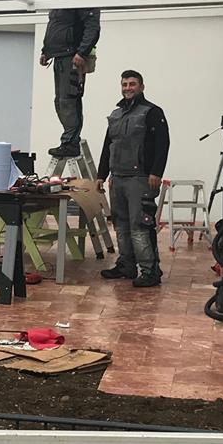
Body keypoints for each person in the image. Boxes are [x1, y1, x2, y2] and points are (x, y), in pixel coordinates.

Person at [95, 70, 170, 287]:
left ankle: (150, 271)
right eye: (125, 84)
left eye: (132, 84)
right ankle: (126, 266)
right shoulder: (116, 114)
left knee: (140, 226)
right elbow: (108, 146)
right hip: (117, 178)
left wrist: (156, 172)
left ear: (141, 87)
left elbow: (163, 144)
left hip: (140, 178)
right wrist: (101, 175)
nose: (128, 88)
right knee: (121, 225)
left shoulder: (152, 112)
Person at [39, 0, 100, 158]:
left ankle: (70, 142)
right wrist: (46, 51)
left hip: (72, 57)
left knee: (69, 100)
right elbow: (55, 26)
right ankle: (68, 139)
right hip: (59, 56)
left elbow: (92, 27)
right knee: (60, 101)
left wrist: (82, 52)